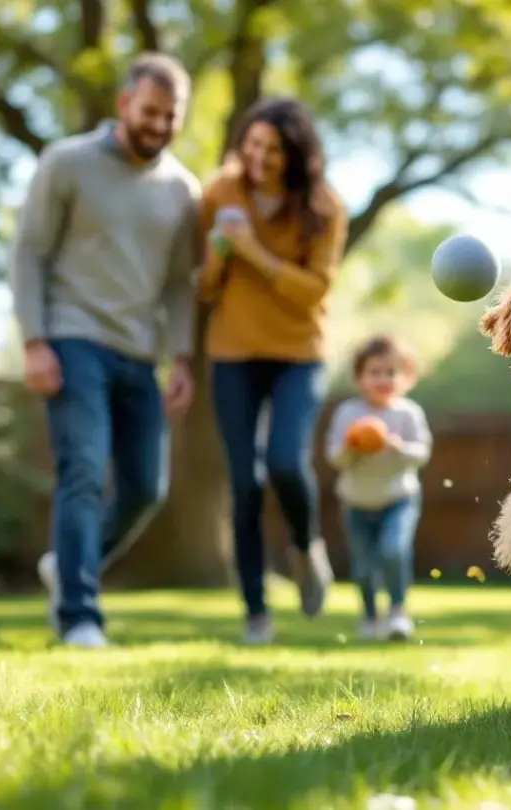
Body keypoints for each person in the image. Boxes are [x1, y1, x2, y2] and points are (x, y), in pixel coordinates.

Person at [8, 52, 201, 648]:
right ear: (124, 104)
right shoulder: (66, 162)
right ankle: (79, 616)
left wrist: (182, 356)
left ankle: (67, 562)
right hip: (73, 338)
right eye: (150, 111)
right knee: (84, 470)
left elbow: (179, 283)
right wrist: (34, 340)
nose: (159, 125)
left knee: (146, 488)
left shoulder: (183, 190)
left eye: (171, 116)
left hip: (140, 352)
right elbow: (30, 251)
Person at [197, 96, 348, 644]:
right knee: (244, 483)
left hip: (298, 354)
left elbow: (313, 292)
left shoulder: (324, 207)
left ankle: (306, 549)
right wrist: (220, 253)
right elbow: (205, 287)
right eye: (252, 144)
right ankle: (256, 612)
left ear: (297, 156)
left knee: (286, 461)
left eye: (274, 149)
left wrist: (253, 251)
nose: (258, 157)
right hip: (233, 353)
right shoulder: (220, 191)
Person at [324, 335, 432, 641]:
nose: (383, 379)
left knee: (394, 551)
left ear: (406, 378)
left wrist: (397, 446)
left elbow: (422, 454)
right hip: (357, 502)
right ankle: (370, 617)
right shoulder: (348, 414)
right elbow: (335, 458)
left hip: (399, 499)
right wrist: (351, 447)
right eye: (374, 372)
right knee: (363, 567)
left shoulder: (408, 413)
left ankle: (397, 612)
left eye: (391, 372)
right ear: (359, 377)